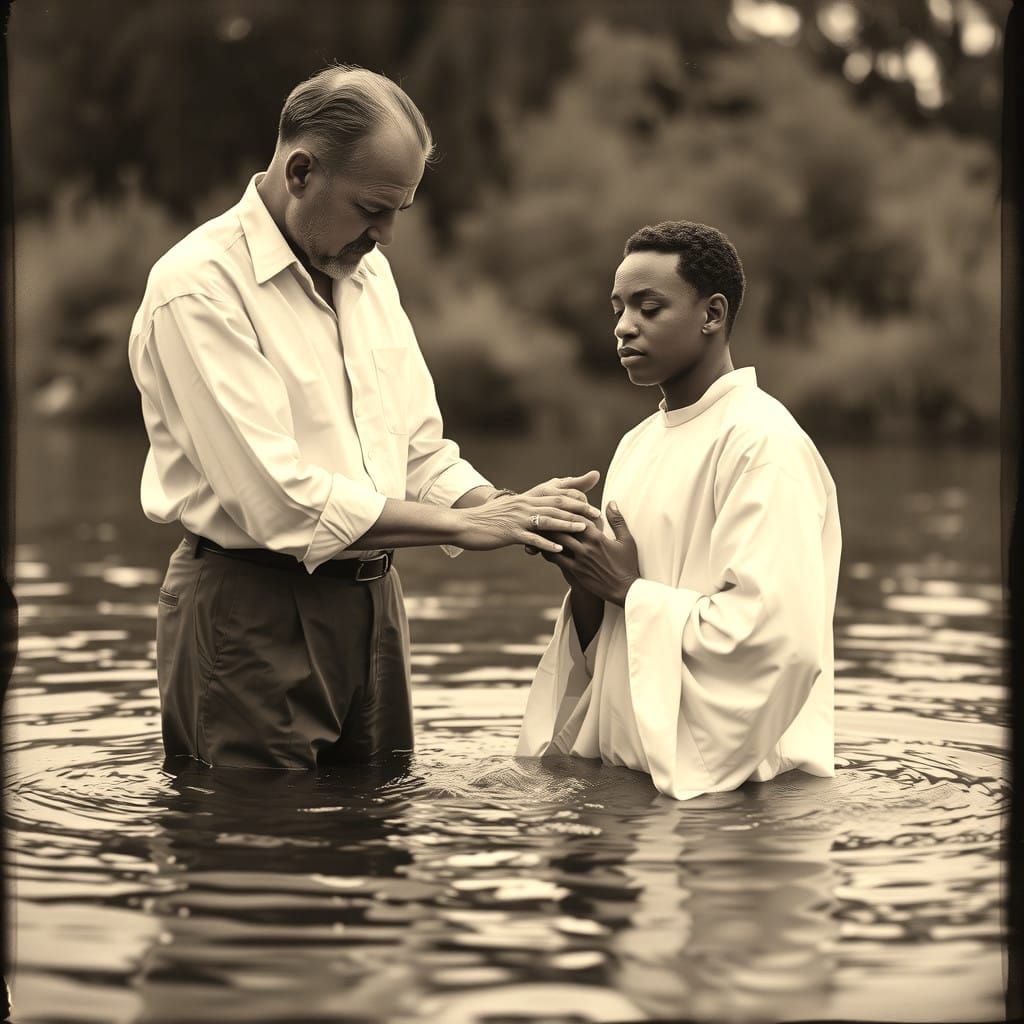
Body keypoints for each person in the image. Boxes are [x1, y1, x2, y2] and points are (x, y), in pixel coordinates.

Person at [127, 65, 600, 770]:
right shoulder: (196, 288)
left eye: (399, 212)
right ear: (301, 171)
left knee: (377, 849)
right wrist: (466, 528)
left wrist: (508, 509)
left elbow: (419, 451)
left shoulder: (366, 270)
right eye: (373, 207)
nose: (385, 234)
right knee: (256, 858)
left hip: (375, 607)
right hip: (250, 608)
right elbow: (275, 499)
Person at [517, 221, 841, 801]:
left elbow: (777, 644)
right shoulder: (637, 444)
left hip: (737, 798)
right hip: (628, 781)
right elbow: (616, 634)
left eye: (649, 307)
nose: (623, 327)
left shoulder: (764, 444)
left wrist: (625, 589)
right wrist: (584, 577)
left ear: (711, 315)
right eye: (618, 308)